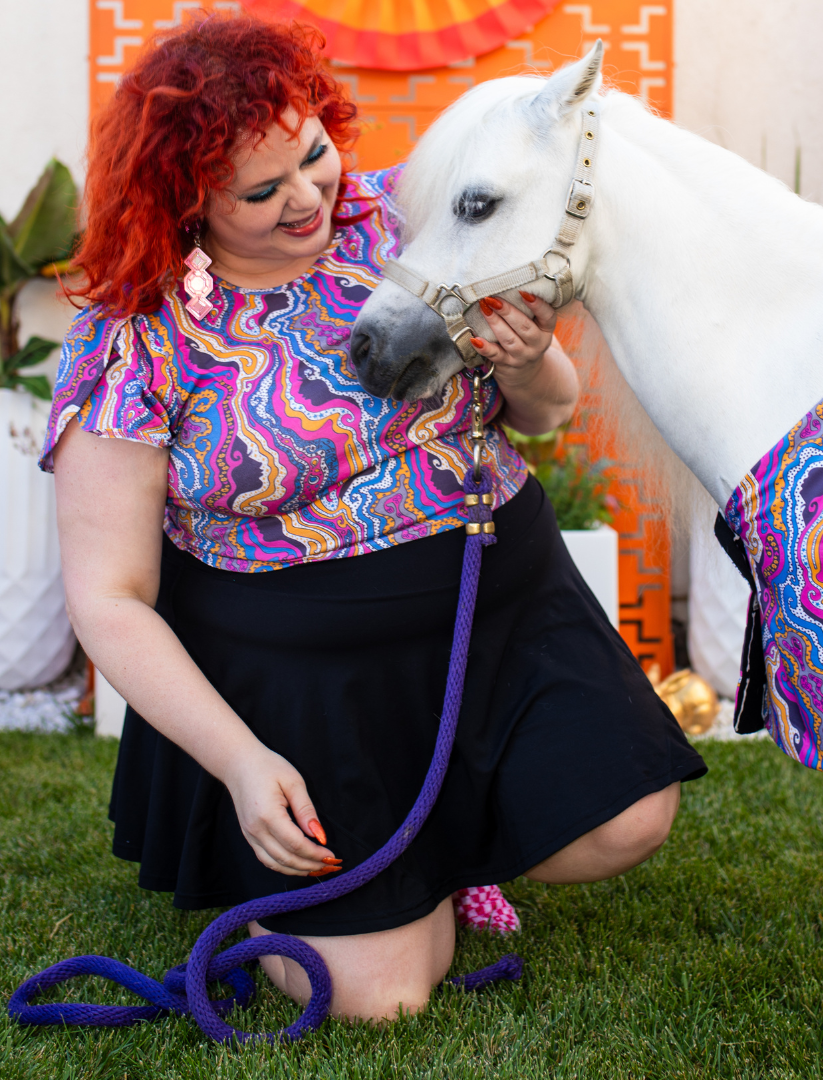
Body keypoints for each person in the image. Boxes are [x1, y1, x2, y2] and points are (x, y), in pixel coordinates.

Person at [42, 14, 706, 1023]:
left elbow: (548, 410)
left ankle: (434, 844)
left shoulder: (407, 218)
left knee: (628, 822)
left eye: (314, 154)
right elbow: (111, 597)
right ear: (185, 201)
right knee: (380, 1000)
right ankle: (380, 878)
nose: (309, 196)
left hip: (501, 608)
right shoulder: (135, 335)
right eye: (262, 193)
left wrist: (526, 360)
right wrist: (242, 763)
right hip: (308, 683)